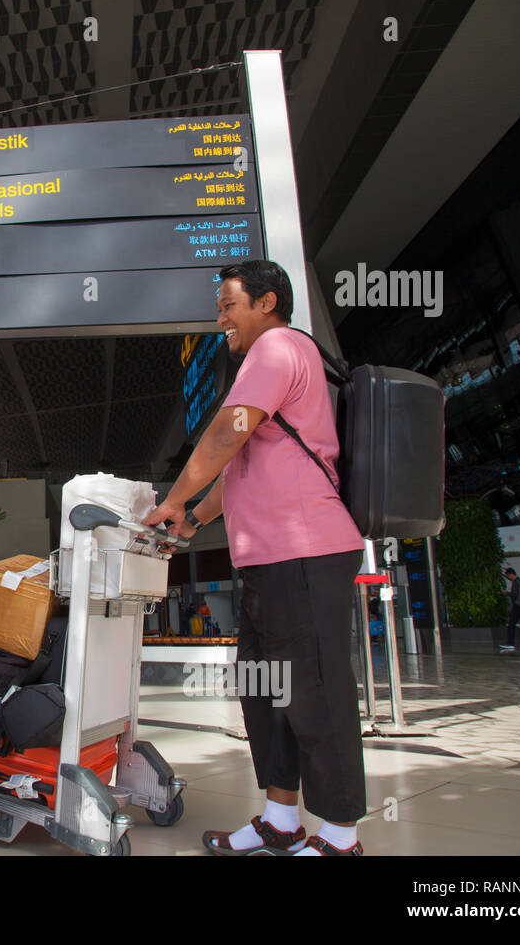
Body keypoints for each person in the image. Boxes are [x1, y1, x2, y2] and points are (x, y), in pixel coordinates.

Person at [145, 260, 366, 856]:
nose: (221, 319)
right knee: (267, 693)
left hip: (306, 549)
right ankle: (280, 819)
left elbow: (224, 434)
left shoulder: (277, 349)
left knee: (314, 691)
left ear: (267, 302)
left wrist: (172, 500)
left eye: (228, 305)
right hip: (269, 561)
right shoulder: (270, 359)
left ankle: (341, 835)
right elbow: (240, 463)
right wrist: (193, 518)